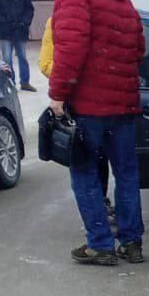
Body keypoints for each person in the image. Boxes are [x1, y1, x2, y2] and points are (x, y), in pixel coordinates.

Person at [48, 0, 146, 266]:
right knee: (127, 173)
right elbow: (138, 47)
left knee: (84, 171)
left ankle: (101, 244)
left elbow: (69, 49)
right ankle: (132, 243)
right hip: (124, 103)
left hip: (89, 106)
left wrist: (58, 94)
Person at [41, 15, 115, 221]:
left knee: (104, 156)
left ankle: (103, 212)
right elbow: (46, 63)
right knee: (88, 158)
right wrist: (72, 76)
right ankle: (99, 206)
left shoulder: (102, 17)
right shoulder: (55, 22)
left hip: (107, 100)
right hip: (77, 104)